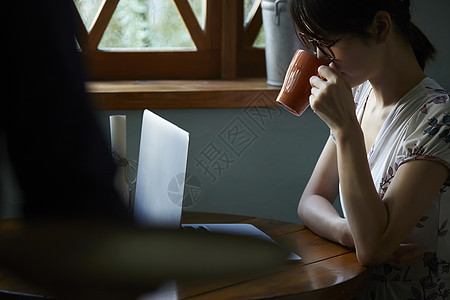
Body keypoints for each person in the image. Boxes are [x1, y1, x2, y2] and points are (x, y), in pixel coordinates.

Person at [289, 0, 449, 298]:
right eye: (313, 45)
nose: (321, 62)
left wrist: (346, 129)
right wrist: (348, 232)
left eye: (327, 44)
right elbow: (311, 200)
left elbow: (373, 250)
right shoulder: (360, 96)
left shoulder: (438, 118)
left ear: (380, 27)